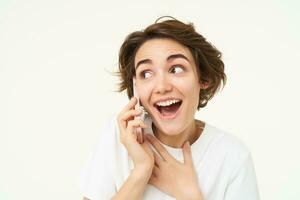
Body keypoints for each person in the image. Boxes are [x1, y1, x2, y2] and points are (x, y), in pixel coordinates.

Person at [78, 16, 260, 200]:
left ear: (203, 77)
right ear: (136, 87)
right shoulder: (120, 136)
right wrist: (140, 172)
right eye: (146, 73)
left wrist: (191, 197)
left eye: (176, 69)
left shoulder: (232, 157)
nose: (162, 87)